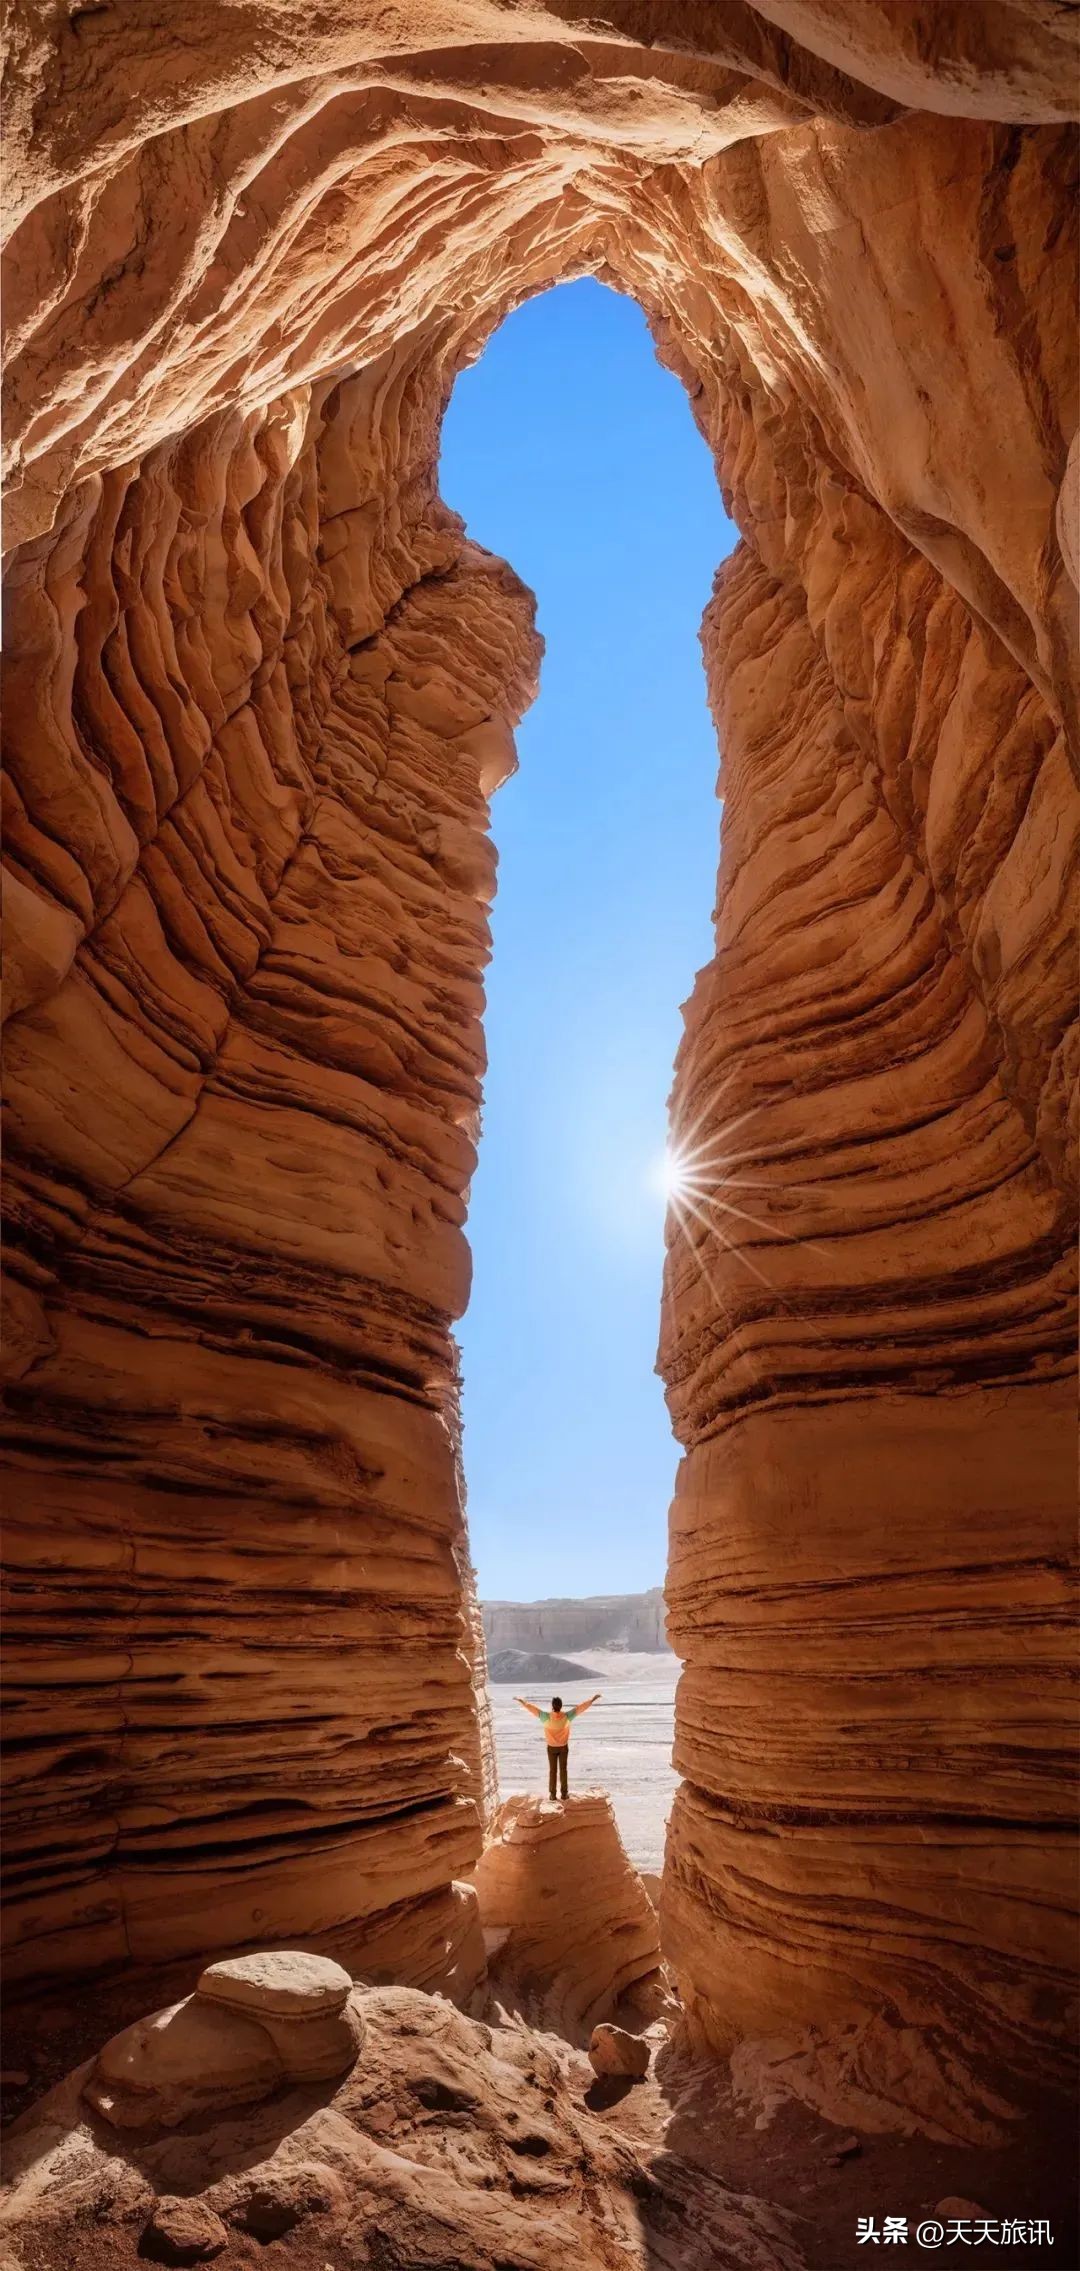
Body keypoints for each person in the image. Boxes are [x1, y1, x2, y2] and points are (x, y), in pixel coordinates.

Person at [513, 1690, 602, 1800]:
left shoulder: (546, 1717)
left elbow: (532, 1709)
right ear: (561, 1706)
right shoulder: (567, 1716)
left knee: (552, 1771)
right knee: (563, 1770)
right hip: (563, 1747)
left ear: (552, 1706)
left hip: (551, 1748)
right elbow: (580, 1708)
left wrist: (522, 1702)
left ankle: (553, 1795)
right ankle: (564, 1794)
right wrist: (592, 1699)